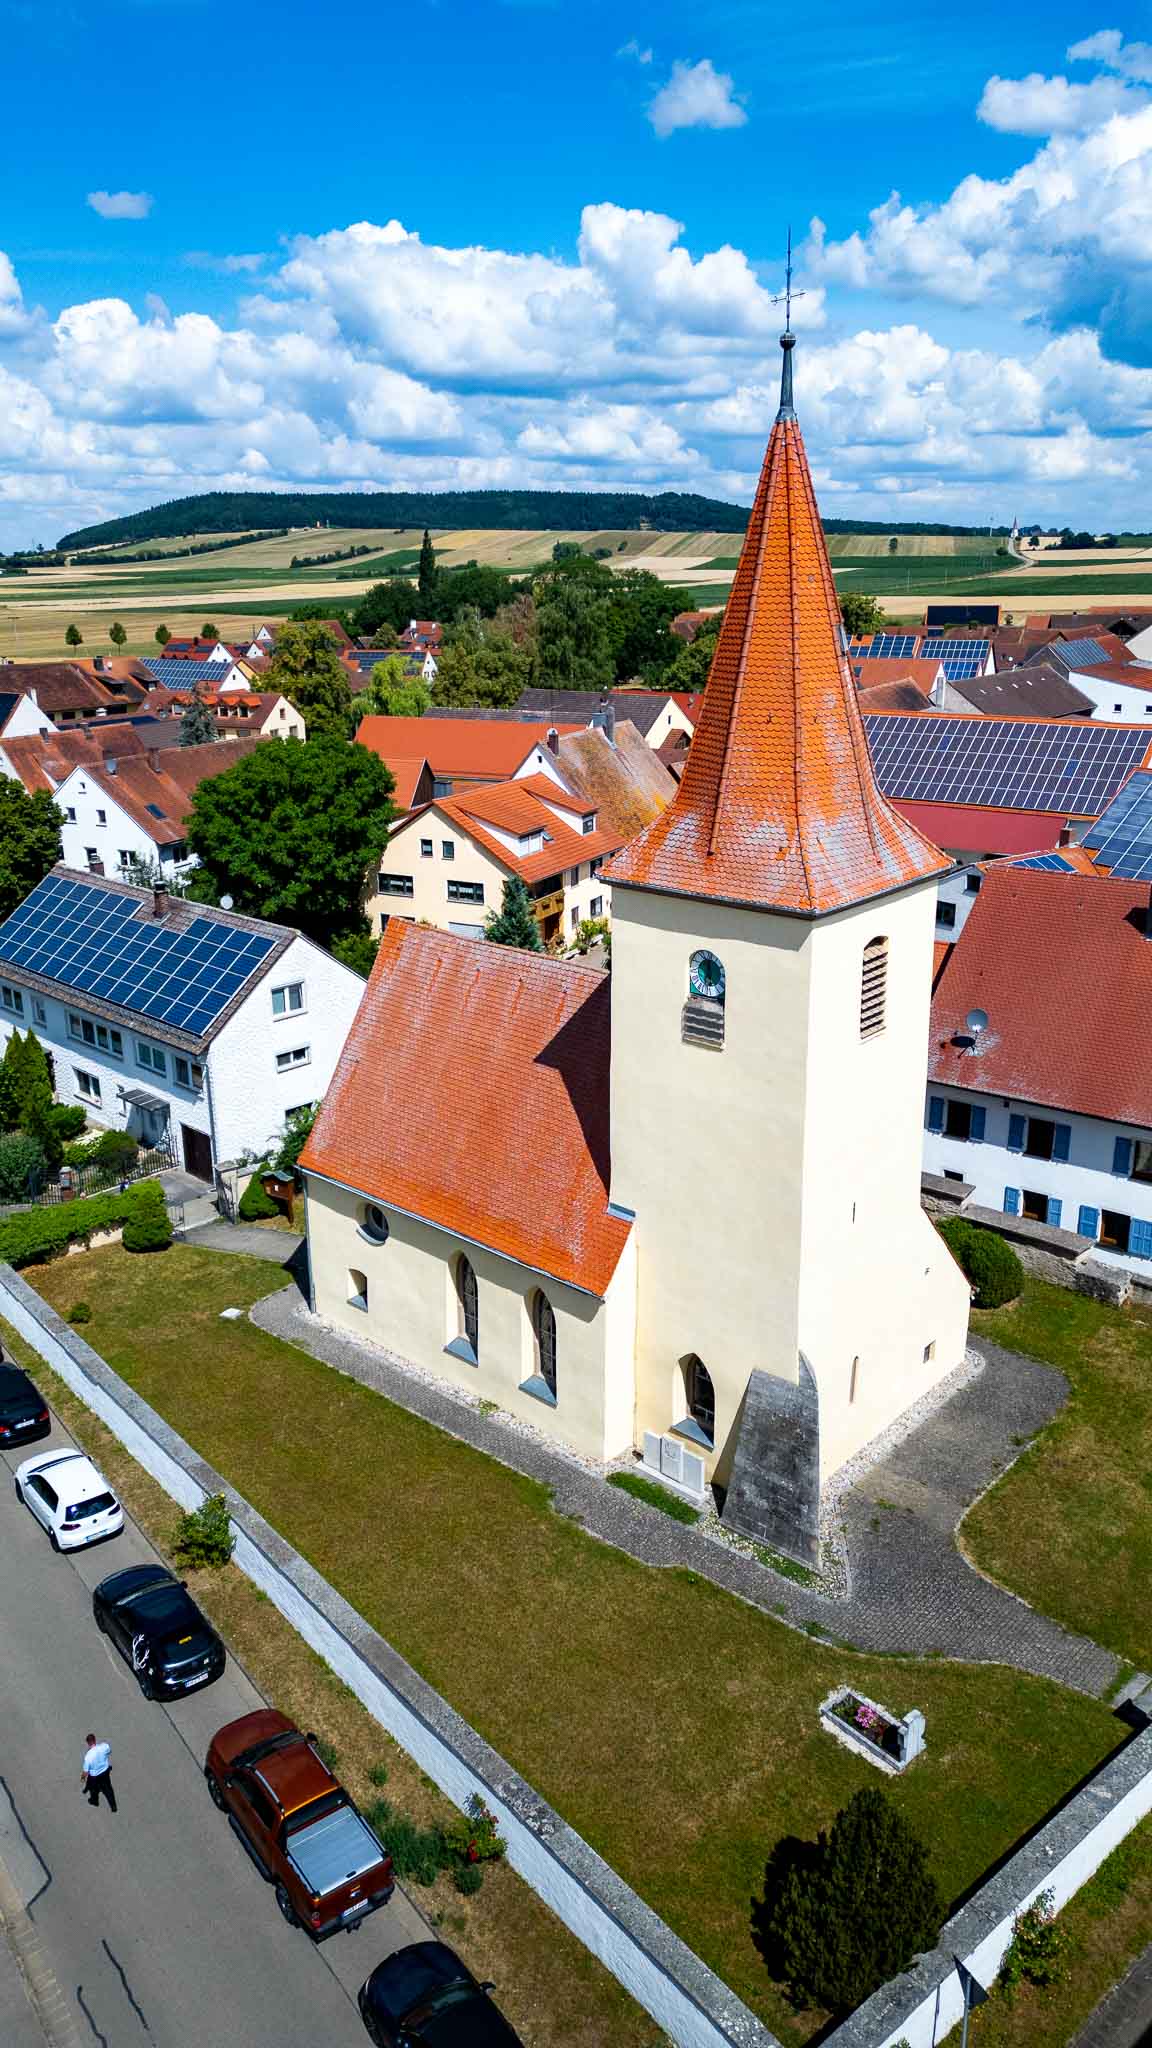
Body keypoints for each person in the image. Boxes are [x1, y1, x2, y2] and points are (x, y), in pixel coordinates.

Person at [81, 1733, 117, 1812]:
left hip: (94, 1776)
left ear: (88, 1743)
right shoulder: (104, 1746)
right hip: (105, 1772)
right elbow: (109, 1751)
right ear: (95, 1740)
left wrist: (83, 1778)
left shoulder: (88, 1756)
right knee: (108, 1789)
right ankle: (113, 1806)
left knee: (93, 1790)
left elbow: (85, 1771)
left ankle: (94, 1801)